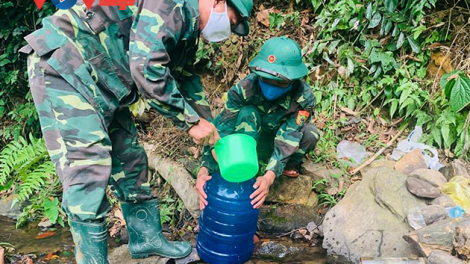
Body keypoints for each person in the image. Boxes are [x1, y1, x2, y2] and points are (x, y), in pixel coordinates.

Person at [19, 0, 252, 262]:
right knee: (88, 167)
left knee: (130, 158)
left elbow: (185, 80)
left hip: (104, 80)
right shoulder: (169, 5)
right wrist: (190, 122)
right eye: (230, 22)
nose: (227, 30)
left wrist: (211, 135)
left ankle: (145, 240)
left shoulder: (186, 29)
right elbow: (146, 69)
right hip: (64, 65)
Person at [197, 37, 320, 210]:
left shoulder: (304, 98)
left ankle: (281, 167)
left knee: (310, 134)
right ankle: (246, 165)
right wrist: (205, 169)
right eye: (266, 79)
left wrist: (269, 177)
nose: (272, 86)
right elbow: (222, 128)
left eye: (279, 82)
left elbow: (289, 136)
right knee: (248, 113)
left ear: (292, 80)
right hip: (250, 142)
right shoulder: (244, 89)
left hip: (280, 144)